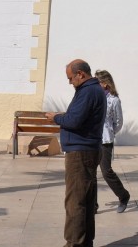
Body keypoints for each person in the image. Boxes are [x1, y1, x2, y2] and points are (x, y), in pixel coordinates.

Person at [45, 59, 107, 247]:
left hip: (80, 152)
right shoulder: (94, 90)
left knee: (75, 200)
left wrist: (56, 117)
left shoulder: (88, 91)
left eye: (71, 78)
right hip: (88, 149)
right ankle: (85, 241)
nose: (70, 82)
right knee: (86, 200)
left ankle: (74, 243)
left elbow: (74, 121)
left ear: (80, 74)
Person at [95, 69, 132, 213]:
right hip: (92, 139)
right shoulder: (94, 97)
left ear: (105, 84)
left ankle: (123, 196)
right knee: (90, 173)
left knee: (106, 172)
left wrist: (110, 132)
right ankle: (93, 205)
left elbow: (118, 121)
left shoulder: (114, 100)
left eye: (97, 82)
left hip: (105, 140)